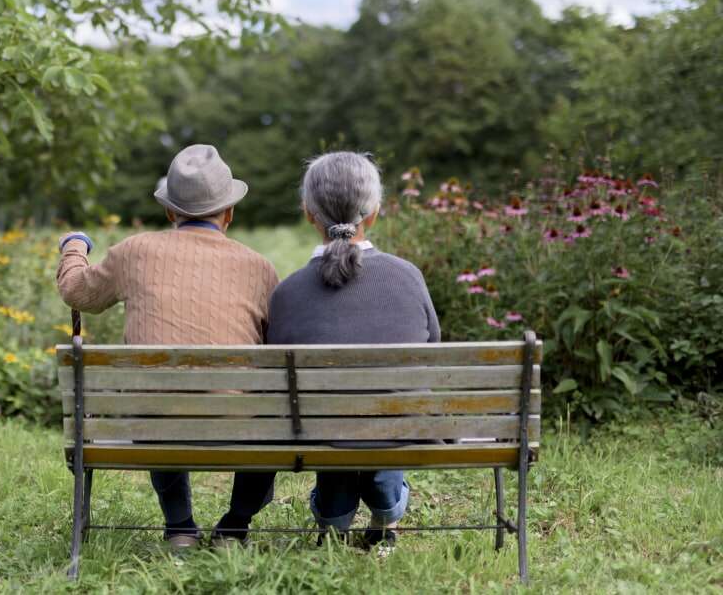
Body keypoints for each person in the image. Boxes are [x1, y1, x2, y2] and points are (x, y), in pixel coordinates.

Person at [55, 144, 279, 551]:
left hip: (150, 426)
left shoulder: (133, 252)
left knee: (158, 396)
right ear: (229, 213)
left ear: (170, 212)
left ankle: (180, 527)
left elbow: (76, 292)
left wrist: (74, 246)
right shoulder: (260, 267)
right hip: (239, 428)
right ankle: (234, 528)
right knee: (268, 415)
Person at [267, 151, 441, 552]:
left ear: (309, 213)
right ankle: (385, 513)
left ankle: (333, 520)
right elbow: (432, 350)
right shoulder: (407, 276)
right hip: (397, 427)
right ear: (374, 212)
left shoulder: (288, 292)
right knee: (386, 412)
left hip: (318, 431)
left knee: (331, 416)